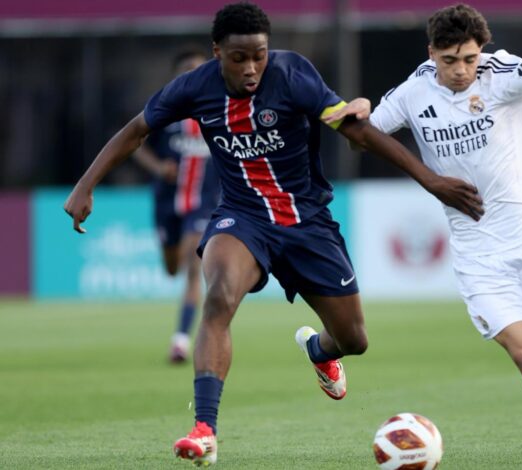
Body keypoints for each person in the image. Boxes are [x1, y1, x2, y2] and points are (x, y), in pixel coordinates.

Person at [63, 2, 483, 466]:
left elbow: (357, 131)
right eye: (239, 58)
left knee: (354, 340)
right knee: (219, 297)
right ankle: (205, 430)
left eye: (258, 56)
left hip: (307, 221)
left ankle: (318, 350)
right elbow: (136, 130)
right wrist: (85, 185)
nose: (251, 68)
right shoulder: (194, 87)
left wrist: (432, 181)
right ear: (217, 52)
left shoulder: (292, 74)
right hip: (242, 217)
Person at [327, 4, 522, 469]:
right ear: (432, 53)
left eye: (469, 59)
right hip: (475, 252)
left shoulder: (501, 73)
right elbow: (362, 136)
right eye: (450, 60)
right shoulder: (414, 91)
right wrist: (362, 112)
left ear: (481, 51)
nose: (461, 70)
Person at [132, 49, 221, 364]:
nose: (192, 75)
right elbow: (135, 144)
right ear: (175, 75)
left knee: (194, 266)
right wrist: (158, 167)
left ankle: (180, 340)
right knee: (172, 267)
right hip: (167, 202)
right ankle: (174, 256)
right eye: (186, 69)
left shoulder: (218, 110)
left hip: (203, 203)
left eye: (198, 69)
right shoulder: (163, 110)